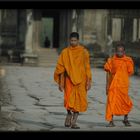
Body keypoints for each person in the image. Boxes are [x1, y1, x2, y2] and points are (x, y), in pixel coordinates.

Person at [54, 32, 92, 129]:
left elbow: (87, 67)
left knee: (78, 101)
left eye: (75, 40)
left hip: (81, 80)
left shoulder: (84, 52)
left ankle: (74, 122)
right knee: (68, 100)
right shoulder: (65, 52)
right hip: (69, 80)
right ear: (69, 40)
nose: (73, 42)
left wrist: (89, 81)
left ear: (78, 41)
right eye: (71, 40)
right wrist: (60, 83)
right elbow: (61, 69)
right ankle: (68, 114)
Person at [104, 42, 134, 127]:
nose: (119, 53)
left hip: (123, 86)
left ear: (124, 52)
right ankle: (111, 121)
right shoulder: (111, 60)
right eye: (118, 51)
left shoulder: (128, 60)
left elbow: (130, 72)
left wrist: (122, 78)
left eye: (121, 51)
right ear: (115, 51)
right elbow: (108, 73)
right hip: (113, 86)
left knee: (124, 102)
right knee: (111, 102)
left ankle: (126, 119)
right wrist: (107, 85)